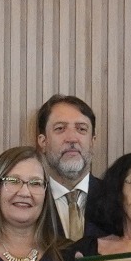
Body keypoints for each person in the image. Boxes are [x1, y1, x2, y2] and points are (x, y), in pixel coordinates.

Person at [35, 94, 99, 242]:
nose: (71, 138)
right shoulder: (28, 199)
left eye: (81, 129)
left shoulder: (115, 199)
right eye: (60, 128)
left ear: (92, 141)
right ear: (43, 141)